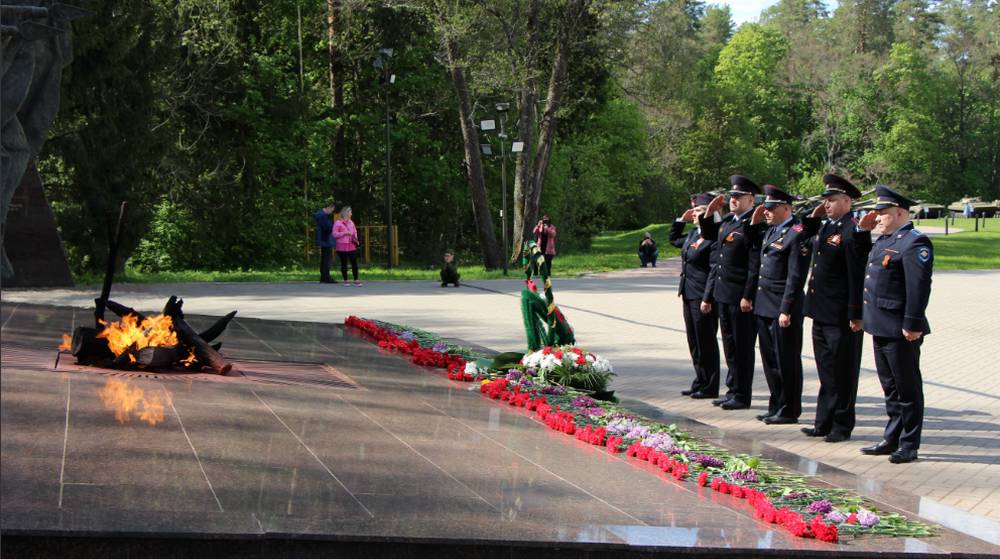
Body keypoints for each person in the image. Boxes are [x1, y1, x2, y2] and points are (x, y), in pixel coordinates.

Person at [857, 185, 932, 464]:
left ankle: (909, 444)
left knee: (907, 387)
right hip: (879, 324)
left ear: (900, 212)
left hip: (901, 328)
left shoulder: (914, 242)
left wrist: (912, 323)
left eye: (883, 213)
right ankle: (892, 437)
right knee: (890, 387)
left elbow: (918, 287)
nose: (877, 218)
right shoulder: (884, 239)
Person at [799, 174, 870, 443]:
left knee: (843, 372)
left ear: (847, 201)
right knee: (826, 370)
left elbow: (856, 273)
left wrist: (856, 313)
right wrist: (812, 218)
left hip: (841, 315)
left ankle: (841, 425)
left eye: (832, 200)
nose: (826, 205)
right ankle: (823, 421)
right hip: (820, 311)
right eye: (825, 201)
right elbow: (805, 244)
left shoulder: (853, 230)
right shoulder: (827, 227)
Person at [698, 175, 764, 410]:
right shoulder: (728, 220)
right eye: (732, 196)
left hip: (740, 295)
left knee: (743, 346)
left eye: (738, 197)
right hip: (723, 294)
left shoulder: (754, 224)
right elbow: (708, 236)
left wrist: (748, 295)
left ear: (750, 199)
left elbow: (754, 264)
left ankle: (742, 394)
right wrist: (709, 213)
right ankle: (732, 389)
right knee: (730, 345)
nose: (733, 200)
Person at [751, 184, 810, 425]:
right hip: (765, 305)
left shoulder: (797, 233)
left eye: (771, 207)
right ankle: (776, 403)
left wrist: (786, 309)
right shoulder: (772, 230)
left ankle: (789, 409)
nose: (766, 211)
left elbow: (795, 277)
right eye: (765, 207)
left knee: (786, 360)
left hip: (783, 307)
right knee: (770, 360)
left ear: (786, 208)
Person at [669, 193, 720, 399]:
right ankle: (700, 380)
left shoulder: (714, 235)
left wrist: (708, 298)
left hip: (702, 296)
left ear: (710, 212)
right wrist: (681, 220)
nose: (697, 215)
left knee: (706, 340)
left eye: (700, 211)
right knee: (694, 341)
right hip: (688, 293)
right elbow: (673, 240)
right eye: (695, 211)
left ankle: (710, 385)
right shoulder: (692, 235)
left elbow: (714, 269)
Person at [333, 206, 361, 286]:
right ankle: (346, 280)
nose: (351, 214)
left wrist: (356, 238)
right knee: (344, 263)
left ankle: (356, 280)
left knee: (354, 263)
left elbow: (354, 232)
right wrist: (344, 233)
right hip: (341, 246)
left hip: (351, 245)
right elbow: (334, 234)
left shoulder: (351, 222)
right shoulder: (338, 223)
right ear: (346, 213)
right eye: (350, 212)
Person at [313, 201, 338, 283]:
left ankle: (324, 277)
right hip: (326, 239)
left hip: (324, 239)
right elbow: (328, 227)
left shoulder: (320, 215)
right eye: (332, 210)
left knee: (324, 259)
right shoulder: (323, 216)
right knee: (327, 259)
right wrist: (334, 227)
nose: (332, 212)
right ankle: (326, 277)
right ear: (328, 207)